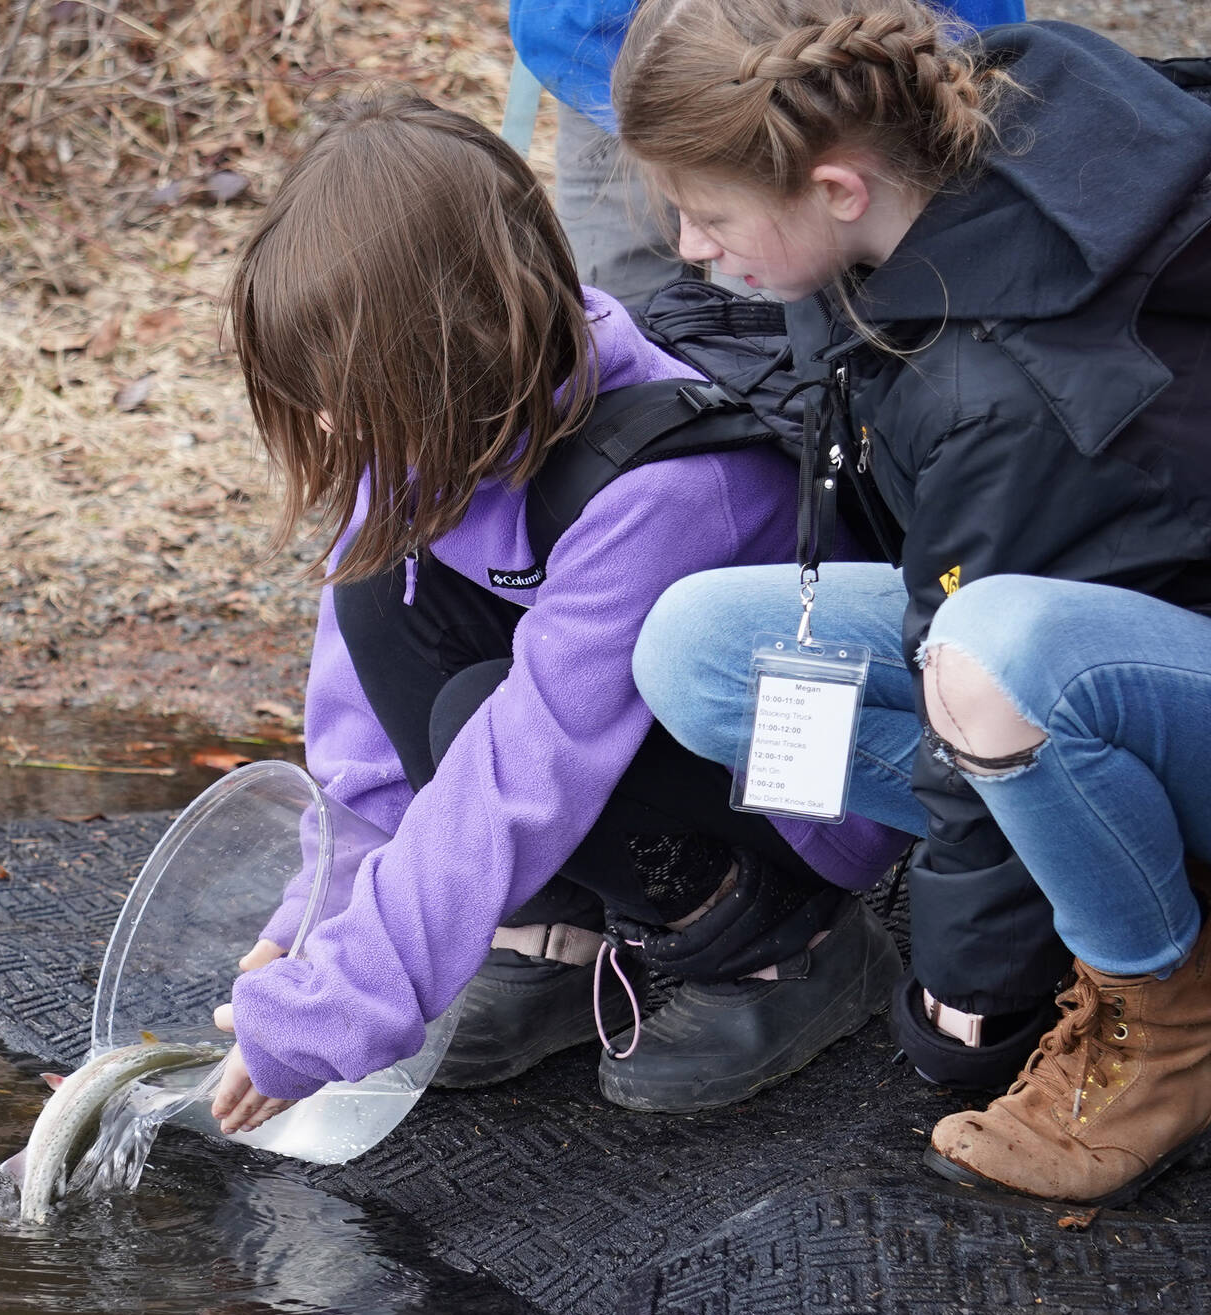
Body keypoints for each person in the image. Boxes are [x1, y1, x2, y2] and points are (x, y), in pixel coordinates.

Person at [612, 0, 1211, 1203]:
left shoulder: (1007, 388)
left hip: (1185, 679)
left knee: (996, 652)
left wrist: (966, 1001)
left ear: (837, 185)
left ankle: (1164, 1025)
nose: (690, 250)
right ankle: (1160, 891)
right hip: (1148, 646)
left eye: (705, 216)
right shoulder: (921, 212)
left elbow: (970, 672)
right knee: (703, 647)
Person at [203, 87, 911, 1138]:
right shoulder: (407, 442)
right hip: (609, 751)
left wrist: (340, 1013)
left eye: (352, 393)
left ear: (458, 351)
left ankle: (784, 952)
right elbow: (362, 755)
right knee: (380, 598)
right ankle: (552, 937)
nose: (327, 421)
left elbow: (521, 768)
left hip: (797, 802)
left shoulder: (663, 485)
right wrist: (314, 931)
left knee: (484, 715)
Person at [507, 0, 1023, 307]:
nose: (687, 246)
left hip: (811, 81)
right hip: (607, 46)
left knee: (781, 324)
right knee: (620, 307)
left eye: (708, 220)